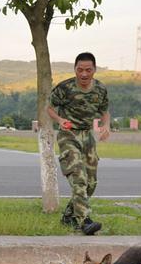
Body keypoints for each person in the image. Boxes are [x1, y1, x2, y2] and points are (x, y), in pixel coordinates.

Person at [47, 52, 110, 235]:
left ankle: (69, 216)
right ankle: (85, 221)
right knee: (78, 177)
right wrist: (59, 120)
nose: (84, 74)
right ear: (75, 69)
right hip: (68, 135)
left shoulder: (100, 89)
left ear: (94, 70)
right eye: (80, 70)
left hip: (87, 136)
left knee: (91, 182)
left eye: (88, 70)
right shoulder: (65, 88)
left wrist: (106, 125)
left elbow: (104, 110)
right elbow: (49, 108)